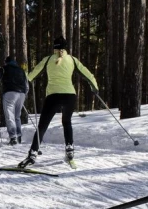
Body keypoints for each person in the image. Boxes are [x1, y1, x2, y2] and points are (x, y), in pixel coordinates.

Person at [18, 36, 99, 168]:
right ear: (65, 47)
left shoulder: (48, 59)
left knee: (42, 126)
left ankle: (32, 154)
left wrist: (24, 73)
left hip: (53, 96)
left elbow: (30, 76)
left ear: (54, 48)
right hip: (69, 96)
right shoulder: (72, 60)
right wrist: (95, 88)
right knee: (67, 122)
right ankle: (70, 150)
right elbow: (88, 75)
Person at [1, 56, 29, 145]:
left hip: (10, 93)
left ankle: (13, 138)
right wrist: (24, 94)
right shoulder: (21, 70)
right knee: (17, 116)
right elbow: (26, 85)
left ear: (6, 62)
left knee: (10, 115)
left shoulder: (4, 69)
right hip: (21, 94)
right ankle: (19, 136)